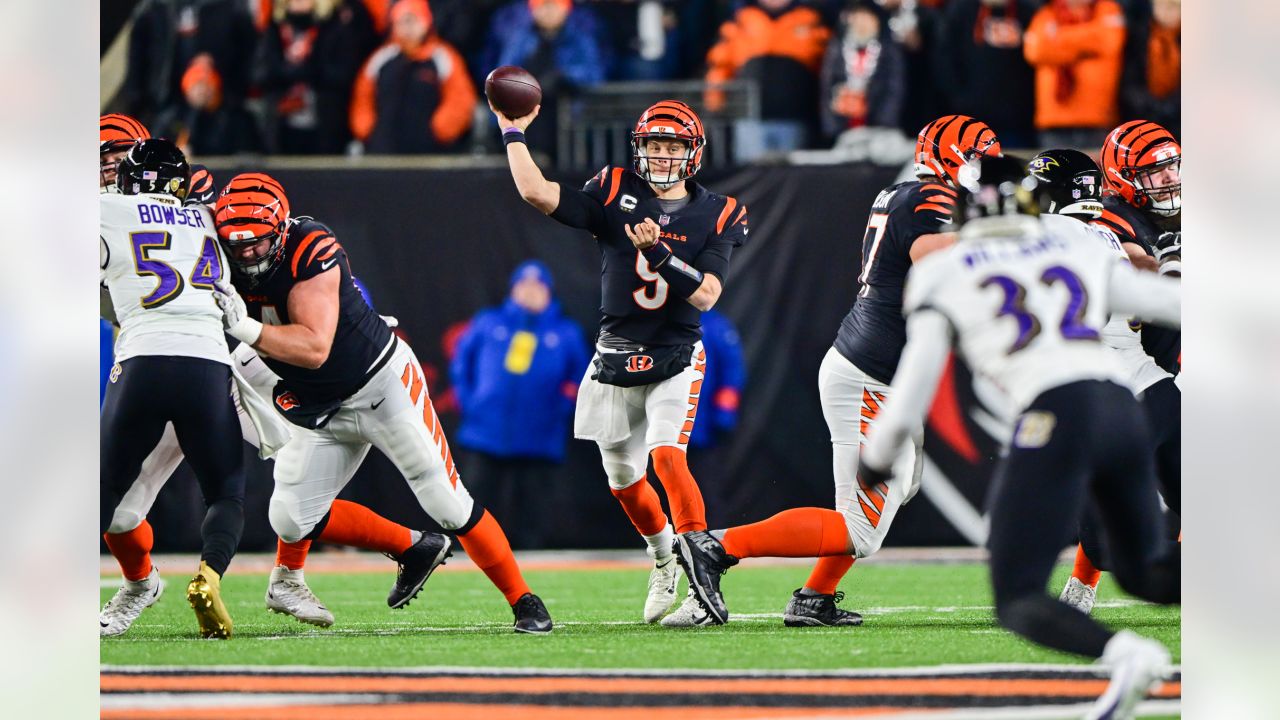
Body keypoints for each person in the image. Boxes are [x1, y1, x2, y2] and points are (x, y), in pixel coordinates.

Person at [677, 154, 1180, 720]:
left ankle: (1125, 654)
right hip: (1121, 409)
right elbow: (1171, 304)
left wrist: (880, 450)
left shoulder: (949, 267)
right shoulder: (1080, 243)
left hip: (1055, 413)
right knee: (1146, 572)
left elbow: (917, 380)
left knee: (1018, 596)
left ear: (966, 206)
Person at [213, 172, 552, 633]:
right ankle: (413, 547)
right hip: (320, 406)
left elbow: (314, 347)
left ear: (282, 228)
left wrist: (246, 330)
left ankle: (524, 600)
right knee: (289, 517)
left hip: (380, 387)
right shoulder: (216, 255)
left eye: (258, 241)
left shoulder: (311, 248)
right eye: (237, 243)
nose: (247, 251)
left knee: (446, 501)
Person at [494, 98, 748, 624]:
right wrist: (513, 134)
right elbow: (536, 193)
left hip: (676, 352)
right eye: (654, 145)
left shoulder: (719, 211)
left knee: (667, 457)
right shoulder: (614, 189)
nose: (661, 155)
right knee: (622, 479)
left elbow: (706, 296)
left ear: (692, 152)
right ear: (639, 148)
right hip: (615, 353)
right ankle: (663, 559)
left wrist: (660, 256)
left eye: (672, 146)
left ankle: (704, 586)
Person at [773, 115, 1005, 629]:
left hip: (873, 367)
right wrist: (1002, 238)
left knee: (896, 487)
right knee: (858, 528)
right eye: (976, 158)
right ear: (947, 155)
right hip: (868, 372)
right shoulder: (931, 198)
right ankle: (719, 548)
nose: (982, 170)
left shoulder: (905, 191)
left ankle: (814, 598)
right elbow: (930, 260)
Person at [99, 139, 245, 639]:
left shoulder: (106, 209)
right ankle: (208, 577)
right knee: (225, 491)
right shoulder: (208, 219)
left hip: (143, 356)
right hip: (209, 360)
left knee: (101, 490)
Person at [1027, 148, 1180, 616]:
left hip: (1095, 387)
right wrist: (1173, 268)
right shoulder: (1106, 236)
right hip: (1153, 386)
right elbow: (1145, 276)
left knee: (1106, 537)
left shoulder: (1037, 234)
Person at [450, 260, 591, 548]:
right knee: (476, 497)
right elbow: (461, 364)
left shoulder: (565, 333)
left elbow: (584, 378)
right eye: (523, 285)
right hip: (486, 431)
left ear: (549, 292)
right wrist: (470, 401)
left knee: (532, 504)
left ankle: (529, 561)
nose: (530, 292)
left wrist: (561, 408)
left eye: (537, 286)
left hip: (539, 434)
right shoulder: (489, 322)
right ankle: (471, 552)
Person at [704, 0, 832, 162]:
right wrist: (714, 102)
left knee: (793, 179)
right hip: (750, 120)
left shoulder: (811, 19)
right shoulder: (742, 19)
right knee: (750, 176)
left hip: (795, 118)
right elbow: (720, 64)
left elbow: (828, 67)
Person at [481, 0, 607, 160]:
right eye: (542, 7)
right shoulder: (521, 39)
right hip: (529, 116)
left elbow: (594, 74)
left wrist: (564, 77)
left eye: (554, 6)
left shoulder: (579, 39)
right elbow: (504, 75)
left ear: (566, 10)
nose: (548, 12)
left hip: (568, 119)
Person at [349, 0, 478, 154]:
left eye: (413, 21)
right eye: (402, 22)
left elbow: (461, 100)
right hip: (383, 151)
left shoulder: (443, 57)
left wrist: (439, 131)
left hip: (430, 153)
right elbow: (362, 98)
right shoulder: (382, 58)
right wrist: (368, 130)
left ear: (426, 22)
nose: (408, 28)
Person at [254, 0, 380, 154]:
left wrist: (312, 72)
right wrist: (285, 73)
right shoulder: (274, 29)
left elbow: (345, 73)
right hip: (281, 125)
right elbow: (258, 74)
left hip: (325, 123)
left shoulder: (335, 27)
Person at [1022, 0, 1127, 149]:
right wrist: (1086, 45)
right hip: (1053, 122)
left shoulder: (1108, 9)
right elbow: (1035, 51)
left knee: (1094, 171)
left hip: (1097, 121)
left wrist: (1057, 39)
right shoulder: (1047, 13)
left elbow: (1108, 42)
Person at [933, 0, 1038, 148]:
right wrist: (960, 100)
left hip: (1019, 122)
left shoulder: (1030, 11)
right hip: (971, 121)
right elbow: (944, 61)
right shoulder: (960, 11)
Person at [819, 0, 906, 141]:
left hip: (877, 128)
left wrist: (883, 122)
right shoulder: (837, 49)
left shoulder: (888, 51)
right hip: (843, 127)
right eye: (858, 18)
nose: (862, 24)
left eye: (867, 18)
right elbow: (827, 87)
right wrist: (833, 125)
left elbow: (894, 89)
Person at [1119, 0, 1180, 137]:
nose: (1168, 11)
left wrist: (1171, 108)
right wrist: (1152, 108)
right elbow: (1128, 81)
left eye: (1176, 6)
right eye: (1163, 4)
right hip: (1141, 121)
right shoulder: (1138, 33)